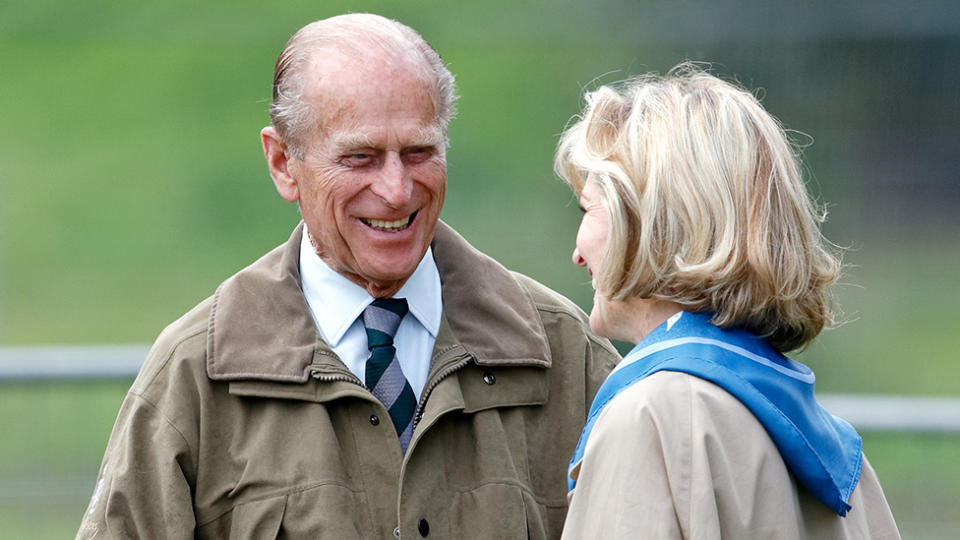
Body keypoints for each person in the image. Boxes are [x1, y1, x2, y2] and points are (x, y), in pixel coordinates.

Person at [77, 13, 618, 539]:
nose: (397, 190)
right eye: (360, 157)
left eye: (419, 152)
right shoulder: (195, 375)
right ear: (283, 163)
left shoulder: (566, 353)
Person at [555, 63, 901, 539]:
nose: (576, 252)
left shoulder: (651, 417)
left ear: (650, 222)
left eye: (587, 209)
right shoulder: (832, 452)